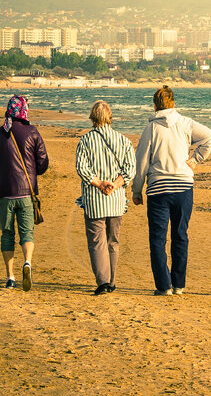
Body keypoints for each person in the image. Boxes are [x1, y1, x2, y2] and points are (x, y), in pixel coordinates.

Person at [131, 86, 211, 296]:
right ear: (173, 103)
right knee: (180, 235)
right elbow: (209, 137)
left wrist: (136, 189)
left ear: (155, 105)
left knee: (158, 239)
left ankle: (163, 286)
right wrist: (195, 160)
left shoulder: (151, 129)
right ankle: (179, 285)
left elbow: (141, 161)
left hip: (158, 188)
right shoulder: (185, 123)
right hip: (183, 186)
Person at [0, 94, 49, 290]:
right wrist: (32, 171)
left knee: (7, 234)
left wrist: (3, 173)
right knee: (27, 232)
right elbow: (43, 164)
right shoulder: (32, 132)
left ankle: (10, 277)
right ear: (24, 110)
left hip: (5, 192)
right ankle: (27, 262)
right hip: (27, 192)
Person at [75, 100, 135, 295]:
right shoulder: (123, 140)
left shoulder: (85, 141)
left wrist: (100, 184)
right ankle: (111, 281)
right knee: (113, 241)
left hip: (94, 199)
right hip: (116, 200)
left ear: (92, 117)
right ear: (110, 117)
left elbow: (82, 168)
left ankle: (103, 281)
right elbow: (130, 169)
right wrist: (115, 184)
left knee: (96, 241)